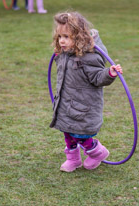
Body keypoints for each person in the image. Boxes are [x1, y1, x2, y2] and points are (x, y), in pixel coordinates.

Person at [50, 12, 123, 172]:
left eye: (67, 37)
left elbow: (97, 77)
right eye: (60, 36)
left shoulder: (89, 57)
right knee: (68, 134)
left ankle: (97, 152)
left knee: (81, 136)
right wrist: (58, 57)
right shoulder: (64, 54)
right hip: (66, 104)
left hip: (83, 107)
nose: (61, 40)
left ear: (79, 37)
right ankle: (73, 160)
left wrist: (109, 73)